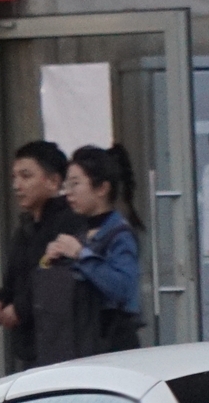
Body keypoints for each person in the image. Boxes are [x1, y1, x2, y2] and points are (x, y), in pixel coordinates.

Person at [0, 141, 80, 371]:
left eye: (26, 176)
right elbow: (13, 283)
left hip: (61, 348)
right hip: (30, 347)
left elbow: (56, 282)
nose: (17, 185)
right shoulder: (25, 229)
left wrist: (20, 309)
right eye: (14, 177)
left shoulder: (68, 222)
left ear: (54, 181)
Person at [46, 144, 146, 354]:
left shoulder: (120, 234)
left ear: (102, 188)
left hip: (114, 341)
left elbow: (123, 288)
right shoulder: (81, 231)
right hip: (84, 339)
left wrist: (80, 255)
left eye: (75, 184)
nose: (68, 193)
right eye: (66, 185)